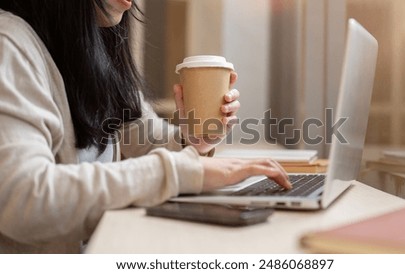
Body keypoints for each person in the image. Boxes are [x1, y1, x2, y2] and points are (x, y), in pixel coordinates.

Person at [0, 0, 291, 253]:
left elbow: (145, 138)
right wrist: (181, 171)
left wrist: (193, 141)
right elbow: (23, 200)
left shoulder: (91, 48)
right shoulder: (8, 44)